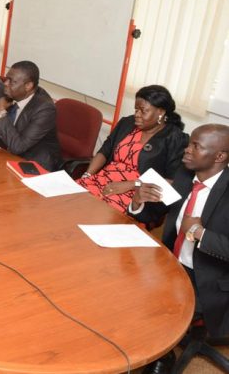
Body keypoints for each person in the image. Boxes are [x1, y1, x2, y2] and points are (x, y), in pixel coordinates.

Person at [129, 124, 229, 374]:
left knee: (154, 309)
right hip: (170, 261)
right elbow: (160, 212)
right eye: (189, 142)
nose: (186, 150)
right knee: (121, 282)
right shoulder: (185, 174)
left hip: (208, 277)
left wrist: (200, 233)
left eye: (196, 146)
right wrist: (138, 201)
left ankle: (158, 359)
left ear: (220, 156)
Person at [77, 85, 187, 214]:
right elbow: (105, 151)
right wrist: (87, 175)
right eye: (136, 109)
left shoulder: (175, 138)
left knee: (95, 215)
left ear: (161, 112)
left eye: (143, 111)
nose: (137, 115)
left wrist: (132, 185)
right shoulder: (127, 123)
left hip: (137, 195)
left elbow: (173, 180)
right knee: (69, 200)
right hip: (102, 179)